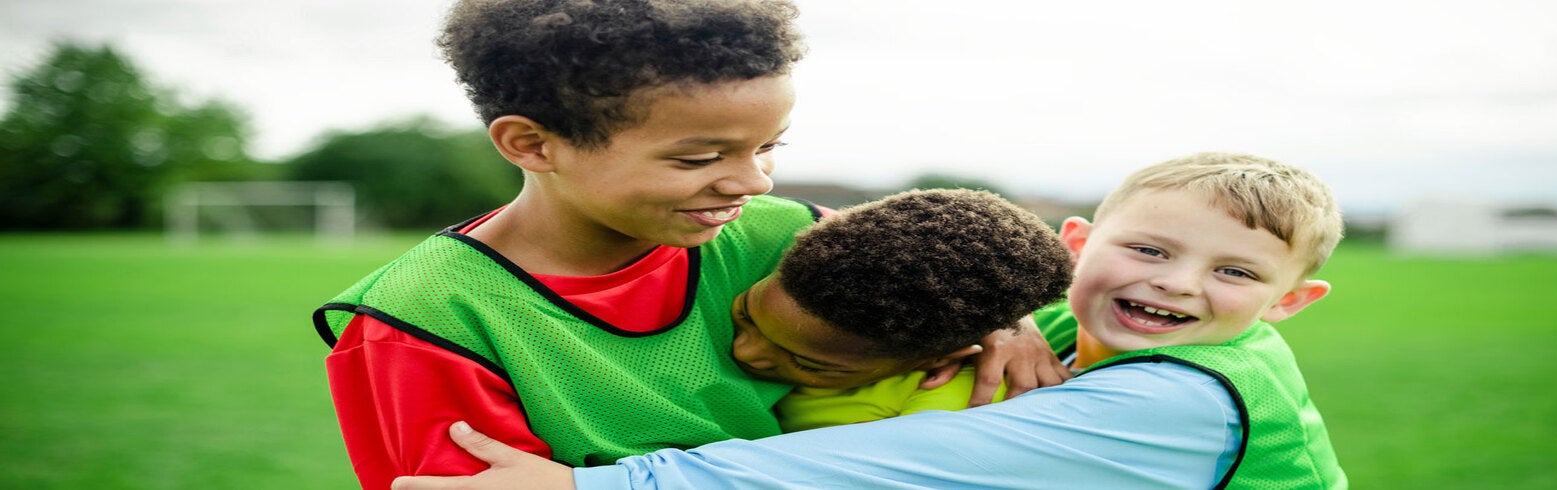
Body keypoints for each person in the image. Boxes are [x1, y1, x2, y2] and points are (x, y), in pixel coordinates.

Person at [312, 1, 1066, 488]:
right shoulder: (427, 320)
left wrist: (1005, 318)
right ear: (532, 144)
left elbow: (956, 264)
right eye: (698, 158)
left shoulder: (780, 233)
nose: (753, 183)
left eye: (769, 145)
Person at [393, 152, 1351, 489]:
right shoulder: (1069, 321)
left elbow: (877, 467)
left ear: (1291, 305)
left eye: (1233, 272)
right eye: (1149, 251)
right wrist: (1010, 317)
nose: (1179, 285)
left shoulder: (1186, 399)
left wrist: (594, 488)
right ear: (1075, 248)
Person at [725, 188, 1072, 432]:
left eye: (806, 363)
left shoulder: (960, 403)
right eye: (745, 314)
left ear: (933, 361)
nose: (747, 351)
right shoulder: (779, 263)